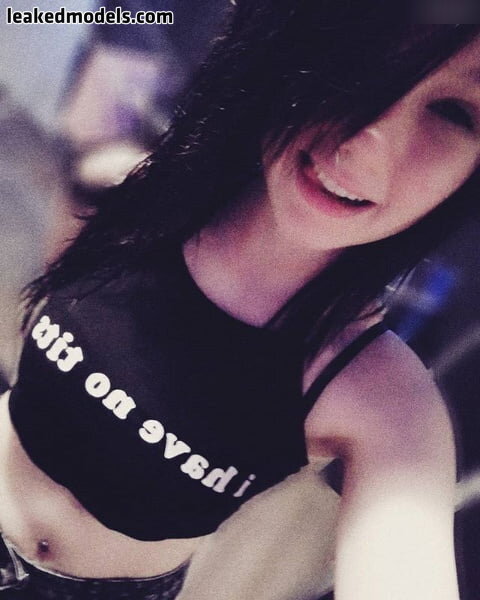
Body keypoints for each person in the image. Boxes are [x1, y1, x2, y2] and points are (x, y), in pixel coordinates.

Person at [0, 4, 479, 599]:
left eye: (454, 112)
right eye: (367, 61)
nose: (364, 144)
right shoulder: (136, 196)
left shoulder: (385, 403)